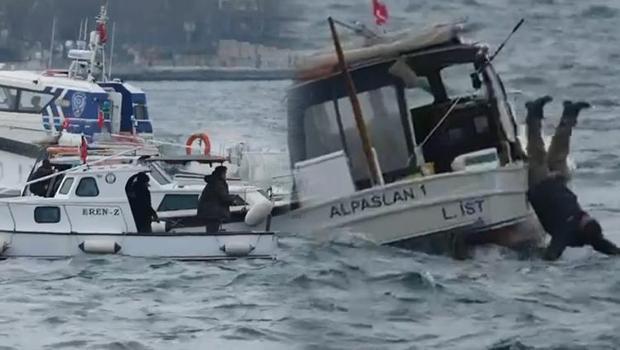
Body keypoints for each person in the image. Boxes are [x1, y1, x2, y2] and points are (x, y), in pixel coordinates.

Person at [525, 96, 620, 260]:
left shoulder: (565, 232)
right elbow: (603, 245)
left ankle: (533, 115)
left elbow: (552, 254)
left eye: (585, 219)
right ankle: (569, 114)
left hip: (541, 187)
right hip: (558, 184)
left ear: (581, 228)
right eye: (587, 216)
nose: (584, 215)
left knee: (537, 153)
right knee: (559, 154)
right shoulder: (590, 233)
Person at [198, 166, 235, 233]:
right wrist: (233, 199)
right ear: (221, 173)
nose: (225, 175)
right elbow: (223, 197)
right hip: (213, 213)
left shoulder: (213, 181)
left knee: (211, 229)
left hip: (209, 211)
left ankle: (211, 239)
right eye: (225, 173)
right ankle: (211, 241)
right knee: (212, 231)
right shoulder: (218, 183)